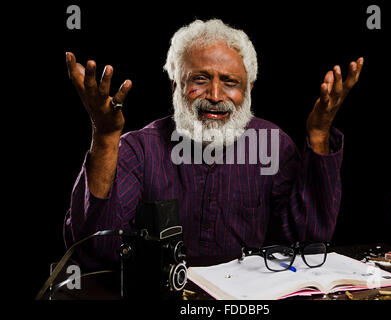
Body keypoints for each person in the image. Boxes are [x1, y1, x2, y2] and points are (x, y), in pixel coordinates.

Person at [64, 19, 363, 269]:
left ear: (249, 90)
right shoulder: (139, 149)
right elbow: (94, 250)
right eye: (200, 79)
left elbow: (310, 243)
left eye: (230, 82)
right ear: (175, 86)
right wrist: (104, 137)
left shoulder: (275, 146)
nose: (216, 95)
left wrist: (320, 134)